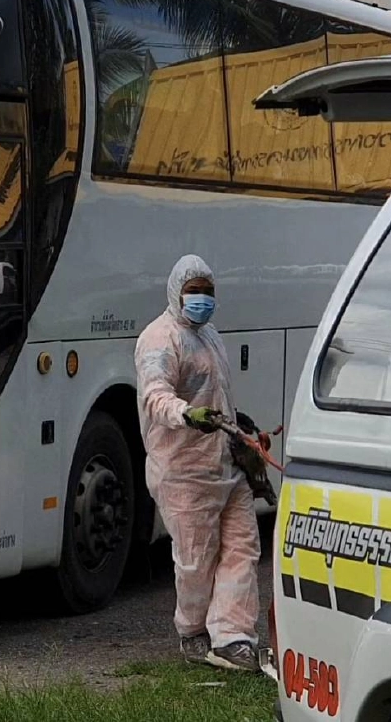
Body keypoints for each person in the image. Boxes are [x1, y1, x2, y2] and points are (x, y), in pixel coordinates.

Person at [134, 254, 260, 672]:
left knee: (242, 545)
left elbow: (220, 394)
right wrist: (186, 414)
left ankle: (233, 636)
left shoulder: (211, 336)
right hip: (183, 470)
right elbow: (155, 394)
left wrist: (239, 428)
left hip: (225, 464)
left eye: (208, 292)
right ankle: (192, 631)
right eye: (194, 292)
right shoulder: (159, 339)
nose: (202, 300)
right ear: (176, 292)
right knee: (195, 559)